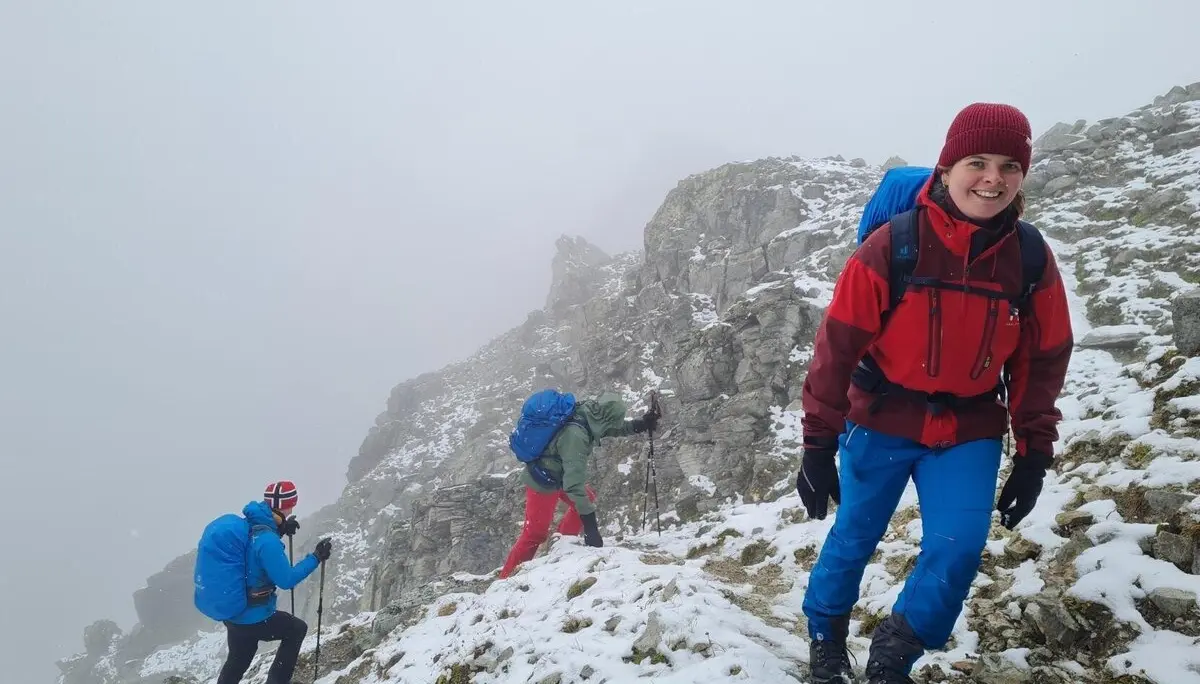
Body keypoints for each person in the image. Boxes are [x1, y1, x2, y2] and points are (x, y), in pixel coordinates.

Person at [796, 103, 1073, 683]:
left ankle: (895, 654)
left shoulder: (1028, 257)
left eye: (1009, 166)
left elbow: (1041, 360)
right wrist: (818, 444)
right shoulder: (893, 246)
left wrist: (1035, 453)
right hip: (881, 417)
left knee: (957, 548)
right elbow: (837, 348)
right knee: (855, 536)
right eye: (977, 162)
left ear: (1022, 176)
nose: (993, 179)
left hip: (967, 429)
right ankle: (826, 634)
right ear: (947, 168)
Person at [499, 391, 659, 578]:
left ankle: (562, 544)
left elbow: (609, 427)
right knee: (535, 534)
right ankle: (506, 579)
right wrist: (590, 526)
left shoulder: (590, 412)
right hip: (543, 480)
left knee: (587, 498)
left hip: (557, 473)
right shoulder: (576, 437)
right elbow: (573, 484)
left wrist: (639, 425)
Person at [216, 481, 333, 684]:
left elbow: (254, 550)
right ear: (288, 504)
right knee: (296, 630)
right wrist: (316, 557)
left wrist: (280, 528)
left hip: (234, 612)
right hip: (255, 615)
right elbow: (286, 580)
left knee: (238, 660)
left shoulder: (249, 524)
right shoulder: (267, 541)